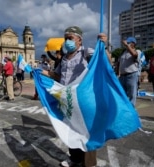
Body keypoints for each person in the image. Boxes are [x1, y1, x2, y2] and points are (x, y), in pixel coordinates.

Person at [42, 26, 111, 167]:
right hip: (68, 100)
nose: (67, 41)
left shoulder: (86, 52)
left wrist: (103, 46)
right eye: (65, 38)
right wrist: (42, 73)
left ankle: (89, 164)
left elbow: (105, 61)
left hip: (83, 100)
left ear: (79, 40)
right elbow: (58, 75)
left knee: (86, 132)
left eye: (70, 38)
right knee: (71, 129)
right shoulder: (64, 59)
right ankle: (75, 159)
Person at [117, 37, 141, 106]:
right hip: (122, 76)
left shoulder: (137, 51)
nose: (127, 44)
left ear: (133, 44)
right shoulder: (123, 52)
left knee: (131, 94)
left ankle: (131, 110)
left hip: (131, 75)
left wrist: (127, 46)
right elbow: (118, 62)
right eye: (127, 43)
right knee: (121, 93)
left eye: (128, 43)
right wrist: (118, 73)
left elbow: (134, 55)